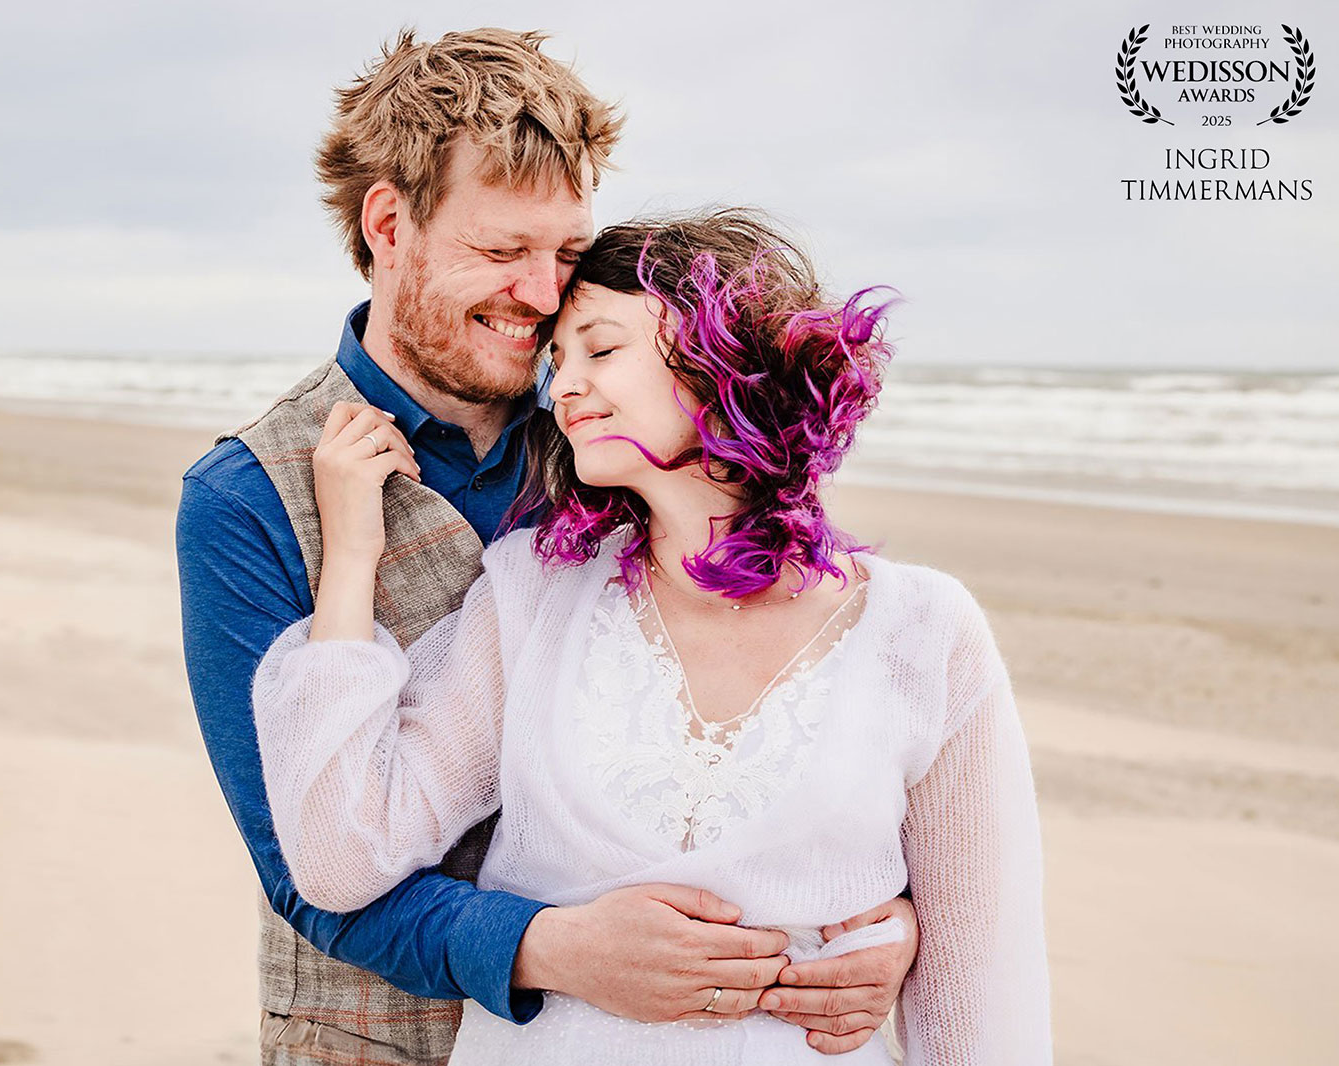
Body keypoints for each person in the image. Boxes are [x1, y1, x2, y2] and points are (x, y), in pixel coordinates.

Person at [177, 29, 918, 1066]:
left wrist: (882, 923)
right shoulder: (245, 498)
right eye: (499, 251)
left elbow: (792, 716)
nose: (539, 294)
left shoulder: (629, 437)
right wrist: (553, 949)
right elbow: (307, 873)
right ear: (389, 223)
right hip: (366, 1038)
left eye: (565, 253)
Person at [250, 210, 1053, 1064]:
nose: (561, 391)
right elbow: (342, 856)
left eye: (599, 350)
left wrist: (897, 939)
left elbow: (983, 1003)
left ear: (719, 357)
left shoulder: (924, 634)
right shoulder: (534, 593)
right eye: (557, 363)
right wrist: (352, 560)